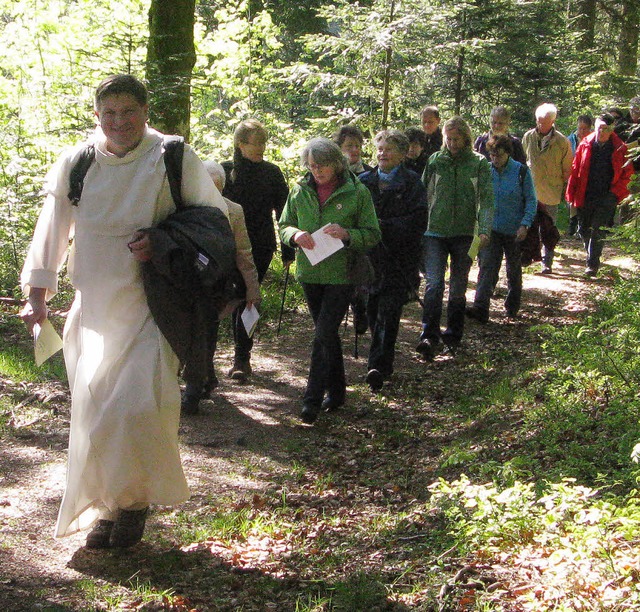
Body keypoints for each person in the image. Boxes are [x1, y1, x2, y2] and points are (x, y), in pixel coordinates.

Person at [19, 74, 227, 549]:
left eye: (128, 111)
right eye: (109, 113)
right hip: (92, 310)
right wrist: (38, 297)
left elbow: (213, 222)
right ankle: (107, 506)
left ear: (145, 112)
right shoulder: (78, 163)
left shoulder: (173, 157)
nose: (119, 122)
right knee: (96, 417)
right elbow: (50, 230)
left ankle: (132, 505)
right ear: (97, 115)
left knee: (138, 409)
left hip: (153, 306)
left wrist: (163, 242)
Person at [279, 138, 380, 424]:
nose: (316, 172)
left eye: (321, 166)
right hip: (309, 273)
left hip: (342, 275)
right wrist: (295, 235)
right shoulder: (299, 190)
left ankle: (311, 400)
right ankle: (336, 392)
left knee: (322, 333)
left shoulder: (357, 192)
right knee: (328, 334)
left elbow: (372, 234)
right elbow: (285, 224)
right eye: (311, 166)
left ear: (336, 163)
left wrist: (347, 234)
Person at [180, 160, 262, 415]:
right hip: (185, 280)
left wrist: (252, 289)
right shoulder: (183, 206)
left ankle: (194, 388)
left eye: (216, 187)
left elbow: (243, 252)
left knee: (206, 331)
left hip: (216, 284)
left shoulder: (233, 211)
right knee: (189, 331)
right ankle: (206, 377)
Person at [415, 117, 494, 360]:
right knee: (434, 284)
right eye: (448, 139)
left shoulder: (479, 164)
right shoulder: (436, 161)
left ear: (466, 139)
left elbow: (486, 199)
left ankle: (453, 335)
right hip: (434, 233)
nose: (451, 143)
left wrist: (485, 229)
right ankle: (429, 335)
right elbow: (422, 194)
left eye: (456, 139)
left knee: (458, 287)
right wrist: (417, 227)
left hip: (465, 234)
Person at [222, 119, 294, 382]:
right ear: (241, 144)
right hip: (228, 248)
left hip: (260, 247)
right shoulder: (225, 171)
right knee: (233, 298)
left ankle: (242, 357)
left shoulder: (272, 173)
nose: (263, 147)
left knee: (247, 298)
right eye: (257, 142)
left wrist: (289, 250)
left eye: (265, 141)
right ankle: (210, 359)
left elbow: (284, 214)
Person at [358, 130, 427, 391]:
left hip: (400, 260)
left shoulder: (413, 183)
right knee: (372, 310)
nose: (382, 153)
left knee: (388, 311)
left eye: (388, 149)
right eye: (379, 149)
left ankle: (377, 365)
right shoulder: (363, 181)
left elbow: (419, 220)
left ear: (401, 153)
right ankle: (381, 357)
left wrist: (384, 227)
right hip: (370, 260)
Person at [466, 135, 537, 323]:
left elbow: (531, 200)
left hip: (514, 231)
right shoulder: (486, 171)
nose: (495, 159)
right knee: (487, 266)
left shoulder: (521, 172)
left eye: (498, 155)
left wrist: (525, 224)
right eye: (492, 155)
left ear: (507, 154)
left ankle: (512, 307)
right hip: (490, 229)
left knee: (513, 270)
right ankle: (480, 308)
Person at [566, 112, 633, 276]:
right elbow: (575, 170)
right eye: (598, 128)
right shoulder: (585, 144)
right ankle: (591, 255)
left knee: (598, 228)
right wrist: (571, 192)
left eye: (604, 129)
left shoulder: (619, 148)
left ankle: (592, 264)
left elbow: (627, 174)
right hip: (585, 194)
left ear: (611, 130)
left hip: (606, 196)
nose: (601, 132)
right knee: (583, 229)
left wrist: (615, 194)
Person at [521, 103, 573, 274]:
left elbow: (567, 168)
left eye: (544, 122)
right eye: (538, 121)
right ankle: (526, 257)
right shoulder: (528, 137)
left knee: (548, 228)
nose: (540, 125)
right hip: (530, 191)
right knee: (529, 225)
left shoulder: (562, 141)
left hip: (551, 191)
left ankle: (547, 262)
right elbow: (522, 161)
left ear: (552, 121)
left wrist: (558, 182)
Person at [332, 124, 372, 335]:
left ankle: (360, 308)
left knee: (360, 277)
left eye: (357, 146)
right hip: (335, 237)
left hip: (359, 236)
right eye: (349, 146)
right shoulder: (332, 176)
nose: (354, 150)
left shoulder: (370, 174)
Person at [567, 115, 594, 235]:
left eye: (585, 129)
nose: (582, 131)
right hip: (572, 173)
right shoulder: (570, 139)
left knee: (584, 201)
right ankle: (572, 223)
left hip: (587, 175)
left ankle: (581, 225)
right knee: (571, 200)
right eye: (580, 128)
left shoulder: (594, 140)